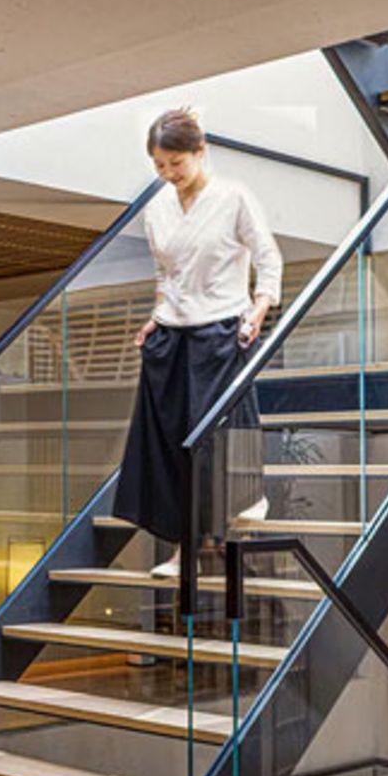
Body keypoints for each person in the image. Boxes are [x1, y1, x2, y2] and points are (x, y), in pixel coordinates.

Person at [115, 107, 283, 578]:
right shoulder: (158, 208)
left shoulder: (233, 199)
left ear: (199, 152)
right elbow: (166, 275)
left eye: (176, 164)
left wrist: (258, 307)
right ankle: (180, 550)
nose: (169, 175)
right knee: (168, 444)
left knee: (209, 439)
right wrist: (154, 317)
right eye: (160, 167)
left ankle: (249, 496)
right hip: (170, 335)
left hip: (221, 330)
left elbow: (269, 260)